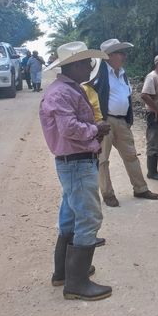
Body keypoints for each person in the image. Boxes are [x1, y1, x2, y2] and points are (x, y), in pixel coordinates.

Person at [39, 41, 112, 301]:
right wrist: (97, 130)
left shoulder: (68, 89)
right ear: (76, 65)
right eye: (88, 63)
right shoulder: (61, 93)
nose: (91, 67)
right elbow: (70, 129)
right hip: (77, 162)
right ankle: (77, 283)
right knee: (89, 217)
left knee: (70, 216)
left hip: (75, 162)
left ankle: (64, 272)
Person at [90, 39, 158, 208]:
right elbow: (88, 94)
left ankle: (140, 188)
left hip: (121, 121)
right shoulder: (98, 72)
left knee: (131, 155)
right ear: (109, 56)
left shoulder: (122, 73)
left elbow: (126, 97)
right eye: (120, 53)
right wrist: (96, 120)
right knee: (103, 159)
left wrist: (129, 120)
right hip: (104, 120)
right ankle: (108, 194)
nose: (124, 56)